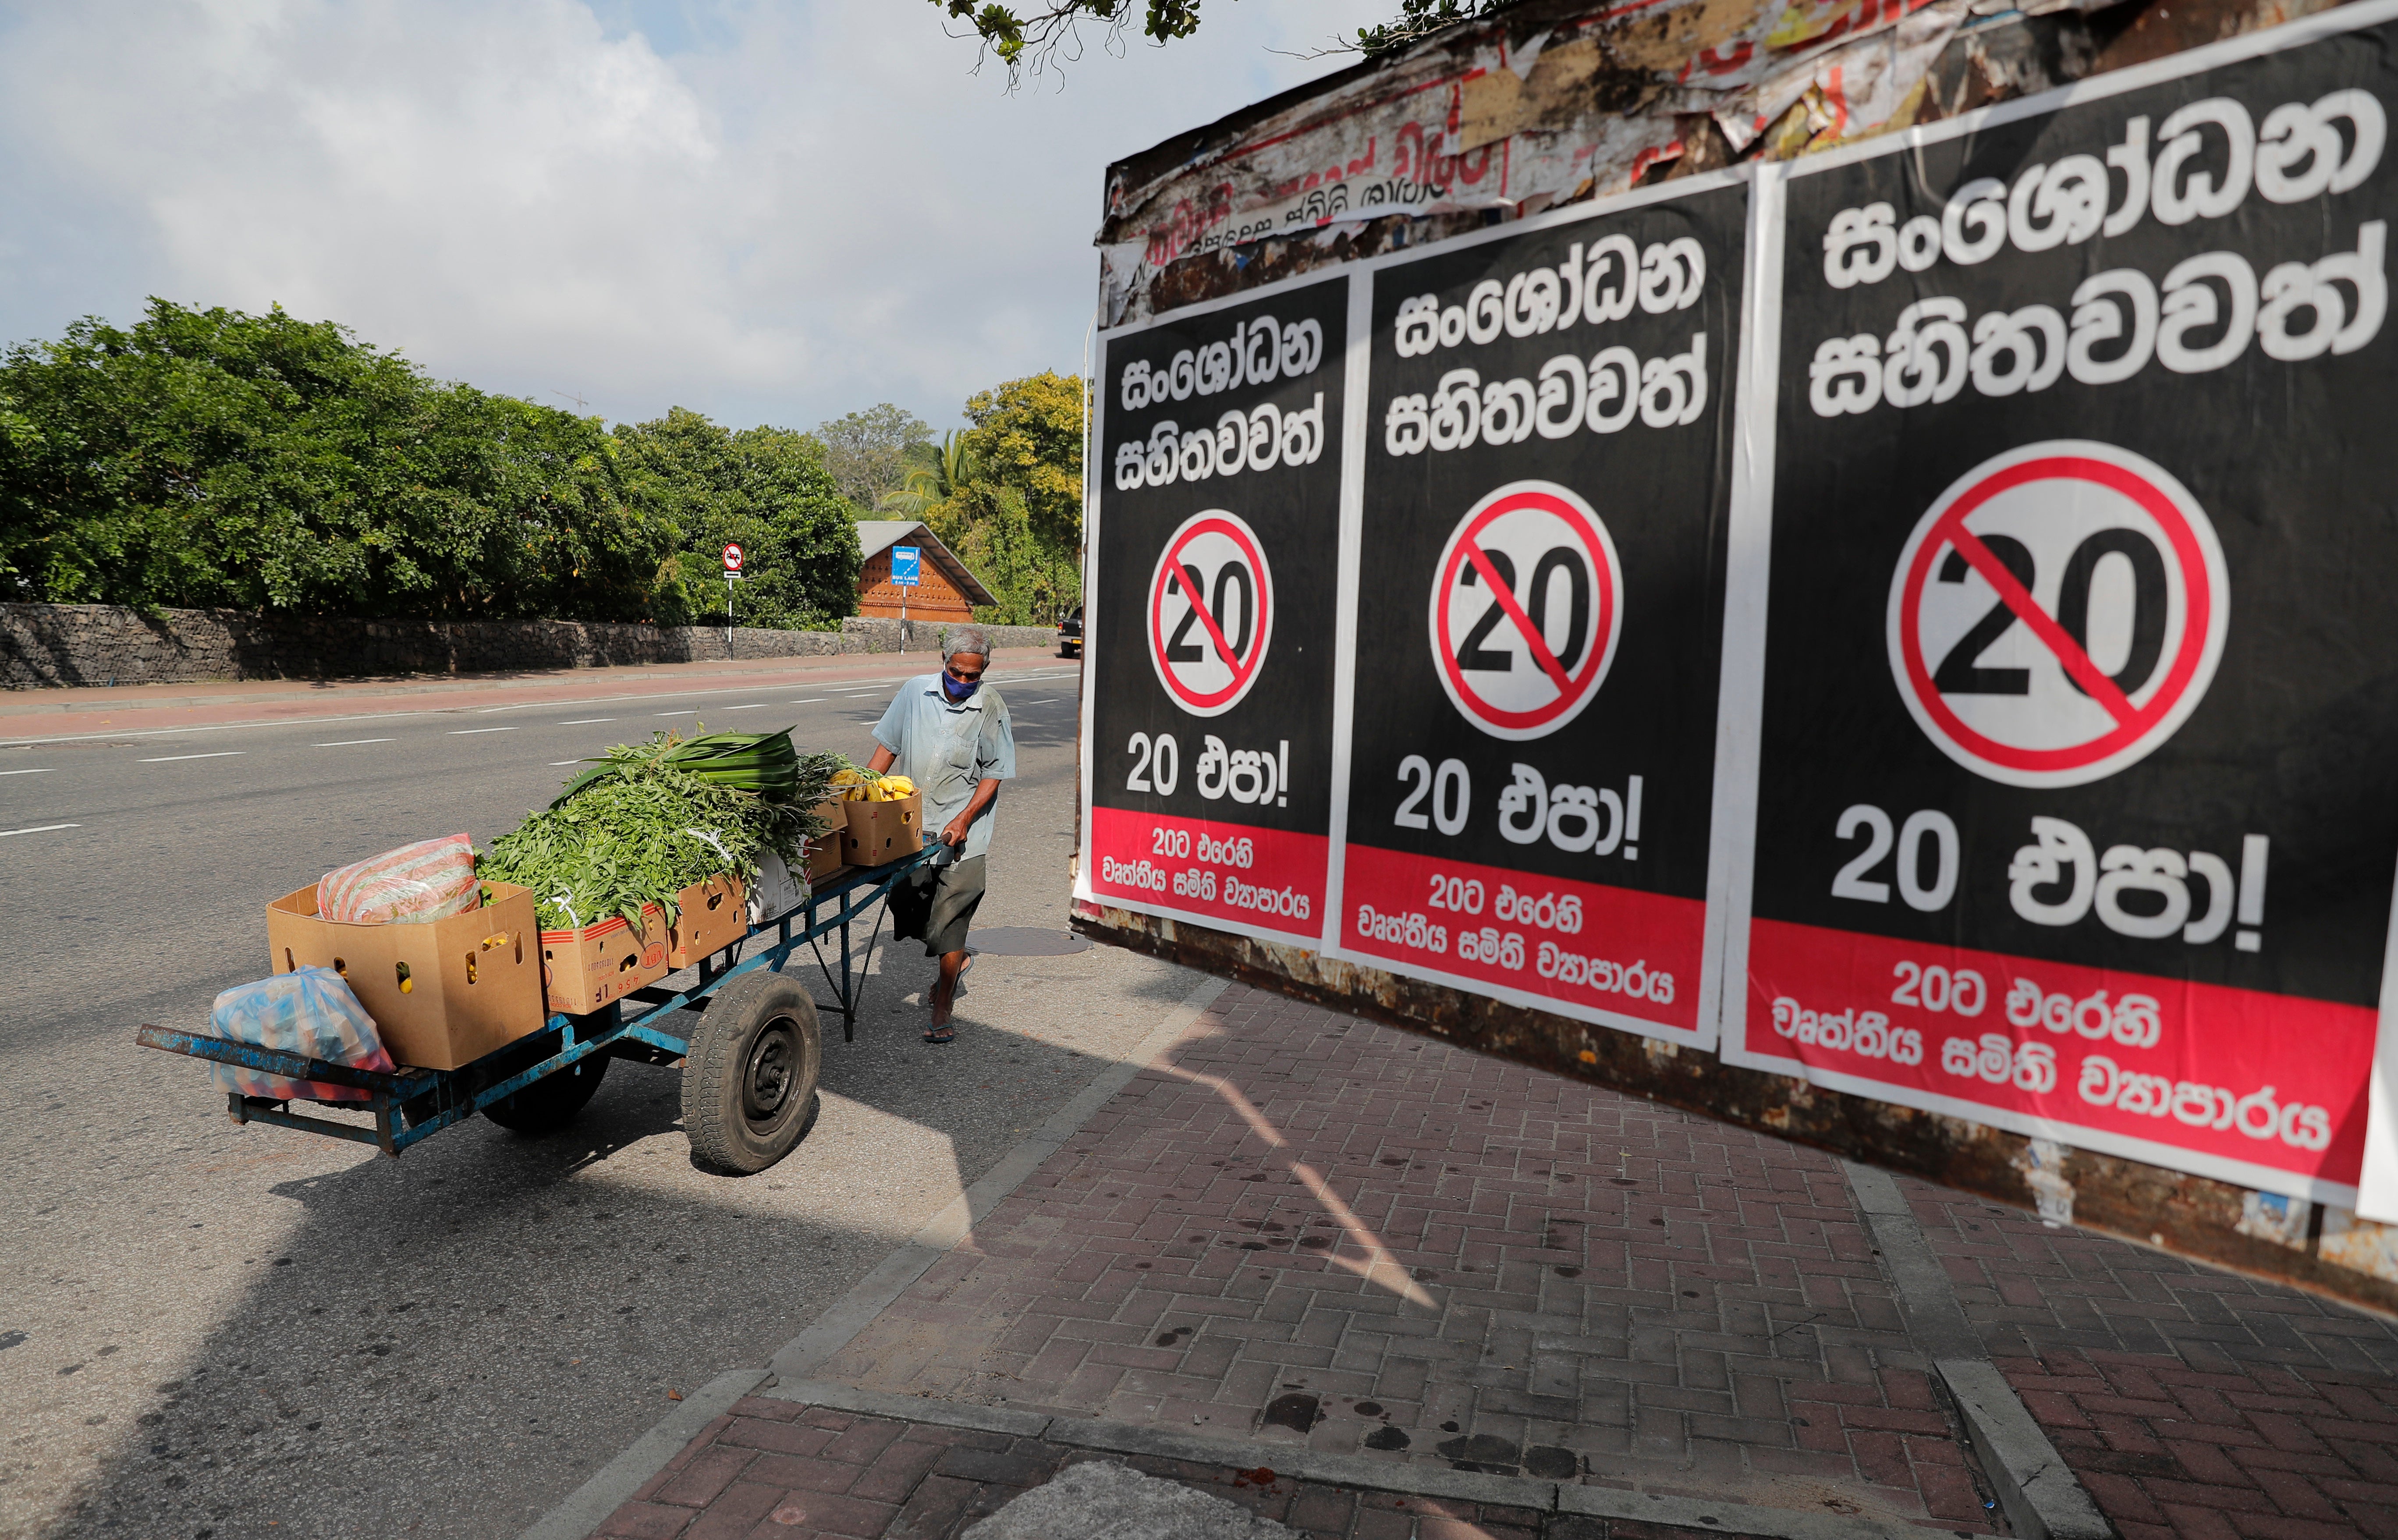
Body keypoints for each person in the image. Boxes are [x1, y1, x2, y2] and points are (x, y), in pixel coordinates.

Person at [867, 626, 1015, 1043]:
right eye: (957, 673)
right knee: (907, 904)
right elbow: (886, 749)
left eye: (974, 675)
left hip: (965, 830)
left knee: (951, 920)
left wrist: (966, 818)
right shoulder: (915, 693)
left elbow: (995, 772)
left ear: (983, 670)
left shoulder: (990, 706)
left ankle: (942, 1003)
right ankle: (955, 955)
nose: (965, 682)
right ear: (943, 662)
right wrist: (856, 795)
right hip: (914, 826)